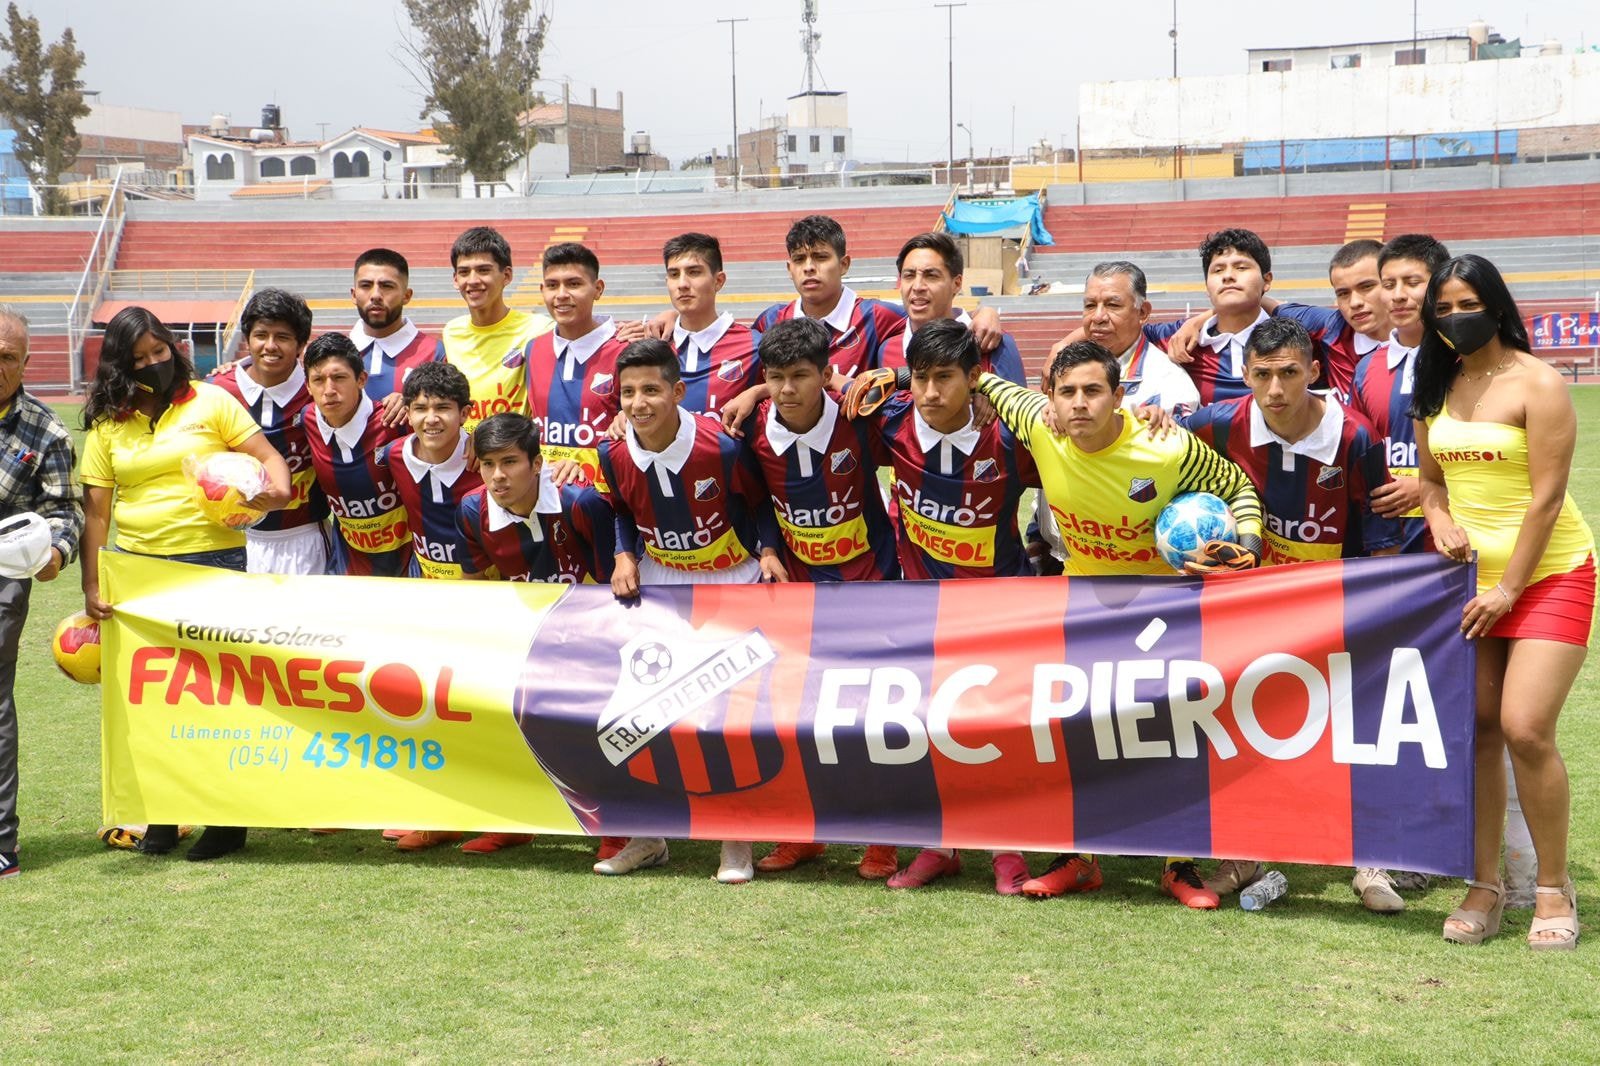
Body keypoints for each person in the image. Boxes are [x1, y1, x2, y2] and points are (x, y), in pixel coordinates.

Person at [965, 341, 1263, 907]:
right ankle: (1081, 858)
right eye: (1067, 392)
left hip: (1165, 610)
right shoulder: (1038, 421)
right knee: (1078, 733)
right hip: (1083, 606)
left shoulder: (1165, 445)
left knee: (1174, 733)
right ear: (1049, 397)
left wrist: (1245, 545)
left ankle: (1179, 863)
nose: (1079, 403)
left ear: (1119, 395)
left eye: (1093, 391)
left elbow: (1237, 488)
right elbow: (985, 381)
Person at [1179, 316, 1406, 909]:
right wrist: (1152, 416)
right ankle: (1242, 853)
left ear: (1313, 371)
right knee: (1240, 728)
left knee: (1353, 730)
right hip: (1247, 612)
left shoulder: (1355, 438)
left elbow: (1379, 539)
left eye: (1287, 373)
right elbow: (1156, 451)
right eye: (1260, 375)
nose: (1275, 390)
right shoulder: (1212, 425)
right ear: (1244, 375)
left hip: (1331, 612)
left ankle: (1371, 859)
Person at [1413, 254, 1593, 951]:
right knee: (1479, 731)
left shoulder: (1538, 383)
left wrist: (1510, 589)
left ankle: (1552, 886)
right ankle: (1484, 886)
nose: (1456, 318)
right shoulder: (1436, 384)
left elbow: (1547, 500)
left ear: (1495, 303)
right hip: (1470, 584)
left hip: (1548, 575)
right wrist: (1438, 518)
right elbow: (1431, 481)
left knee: (1523, 726)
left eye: (1467, 304)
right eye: (1443, 308)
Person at [79, 306, 292, 861]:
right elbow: (97, 514)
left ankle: (227, 821)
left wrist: (275, 493)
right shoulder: (108, 424)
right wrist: (92, 582)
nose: (155, 365)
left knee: (218, 696)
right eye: (141, 359)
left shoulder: (213, 400)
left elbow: (269, 460)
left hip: (214, 562)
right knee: (154, 702)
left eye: (161, 353)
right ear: (120, 367)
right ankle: (165, 817)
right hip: (139, 572)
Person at [844, 318, 1039, 892]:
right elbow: (811, 395)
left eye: (946, 379)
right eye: (922, 379)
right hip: (924, 609)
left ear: (975, 379)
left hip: (1003, 607)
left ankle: (1009, 847)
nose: (931, 393)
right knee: (930, 729)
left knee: (1001, 730)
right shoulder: (890, 420)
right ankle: (941, 845)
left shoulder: (1007, 436)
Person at [596, 339, 784, 881]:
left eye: (651, 390)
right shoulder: (612, 452)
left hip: (732, 580)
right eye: (628, 392)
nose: (638, 403)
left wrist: (768, 551)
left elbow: (760, 502)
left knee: (728, 717)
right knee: (643, 711)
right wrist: (623, 553)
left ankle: (735, 841)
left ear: (678, 391)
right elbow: (619, 509)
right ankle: (648, 837)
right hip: (659, 583)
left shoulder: (719, 447)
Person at [735, 317, 901, 880]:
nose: (786, 389)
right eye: (774, 377)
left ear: (828, 375)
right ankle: (802, 833)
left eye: (800, 376)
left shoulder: (860, 417)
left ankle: (881, 839)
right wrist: (765, 547)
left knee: (869, 720)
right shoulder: (750, 428)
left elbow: (932, 394)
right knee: (795, 716)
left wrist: (897, 375)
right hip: (799, 596)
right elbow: (753, 498)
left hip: (871, 588)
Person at [0, 305, 83, 879]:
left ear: (26, 361)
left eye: (7, 357)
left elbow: (62, 510)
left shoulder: (46, 429)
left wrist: (56, 552)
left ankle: (2, 841)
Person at [213, 288, 329, 575]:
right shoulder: (218, 390)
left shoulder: (319, 392)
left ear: (301, 343)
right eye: (261, 335)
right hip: (236, 539)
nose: (270, 345)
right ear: (248, 338)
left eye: (283, 337)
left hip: (305, 537)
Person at [1350, 234, 1452, 555]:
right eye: (1388, 284)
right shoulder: (1366, 368)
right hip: (1386, 538)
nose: (1398, 295)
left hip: (1453, 534)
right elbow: (1359, 451)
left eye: (1412, 282)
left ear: (1440, 285)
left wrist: (1427, 487)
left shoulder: (1463, 362)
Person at [299, 333, 412, 576]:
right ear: (307, 386)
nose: (329, 390)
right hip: (348, 568)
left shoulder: (396, 419)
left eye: (339, 378)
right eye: (318, 380)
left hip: (408, 567)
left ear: (361, 379)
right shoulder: (307, 419)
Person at [440, 226, 554, 432]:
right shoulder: (451, 332)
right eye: (464, 272)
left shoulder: (539, 329)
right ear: (456, 280)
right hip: (465, 457)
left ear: (507, 275)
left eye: (483, 270)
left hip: (513, 454)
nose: (473, 280)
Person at [876, 232, 1026, 386]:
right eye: (909, 275)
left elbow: (1018, 408)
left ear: (957, 283)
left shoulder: (993, 342)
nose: (918, 286)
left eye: (931, 276)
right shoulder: (887, 350)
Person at [660, 232, 763, 415]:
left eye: (694, 272)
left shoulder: (755, 346)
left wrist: (757, 392)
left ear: (718, 281)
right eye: (674, 274)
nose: (682, 284)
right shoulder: (654, 344)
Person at [347, 247, 446, 425]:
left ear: (406, 295)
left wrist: (414, 404)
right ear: (354, 295)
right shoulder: (335, 353)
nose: (376, 295)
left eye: (387, 286)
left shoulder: (435, 353)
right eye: (366, 285)